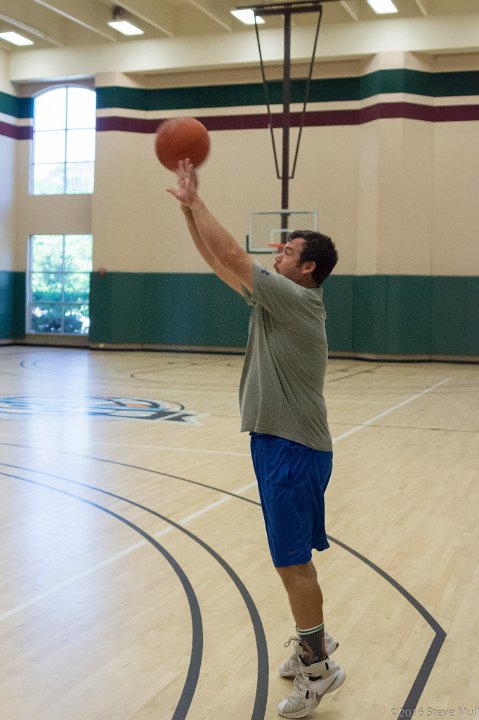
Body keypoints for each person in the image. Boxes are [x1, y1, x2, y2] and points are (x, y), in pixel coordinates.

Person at [168, 159, 344, 719]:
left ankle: (319, 668)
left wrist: (199, 203)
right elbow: (222, 263)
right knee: (291, 562)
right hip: (279, 445)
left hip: (293, 449)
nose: (277, 256)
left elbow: (232, 254)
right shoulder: (277, 299)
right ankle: (316, 639)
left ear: (307, 268)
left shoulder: (297, 299)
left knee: (292, 565)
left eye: (287, 252)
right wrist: (188, 214)